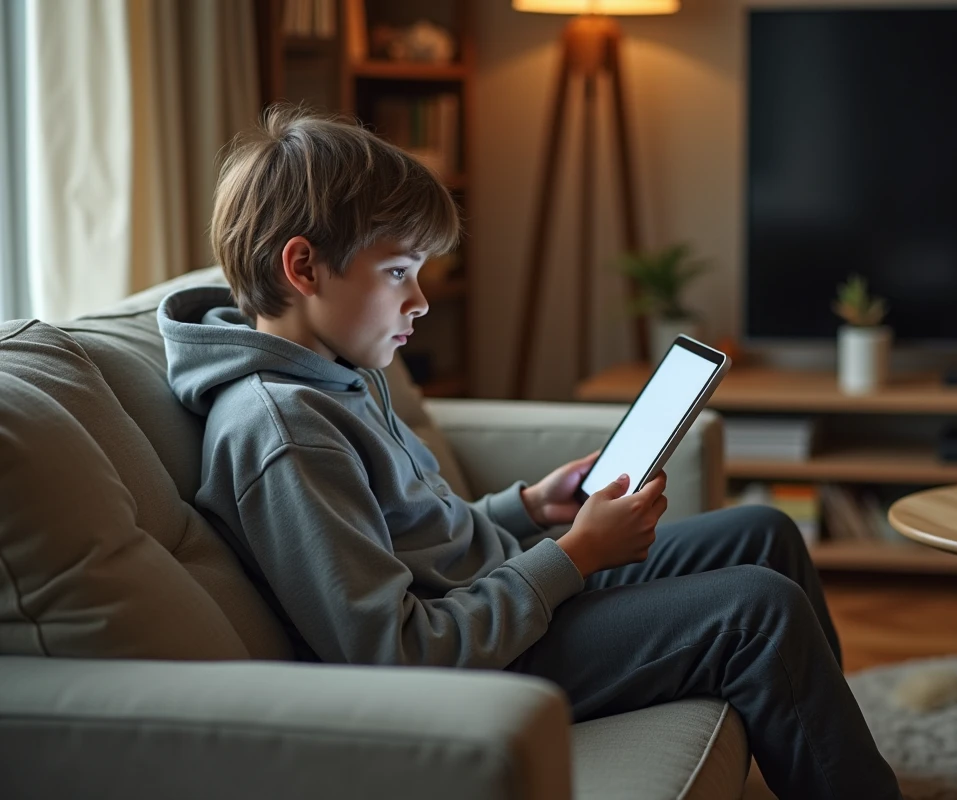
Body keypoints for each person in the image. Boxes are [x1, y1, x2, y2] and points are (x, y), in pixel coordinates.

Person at [157, 104, 902, 799]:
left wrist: (527, 509)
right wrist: (573, 556)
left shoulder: (336, 373)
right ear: (303, 267)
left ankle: (830, 745)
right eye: (398, 273)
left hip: (500, 600)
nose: (419, 300)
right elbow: (394, 652)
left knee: (763, 532)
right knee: (755, 613)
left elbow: (416, 535)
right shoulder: (282, 430)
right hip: (471, 667)